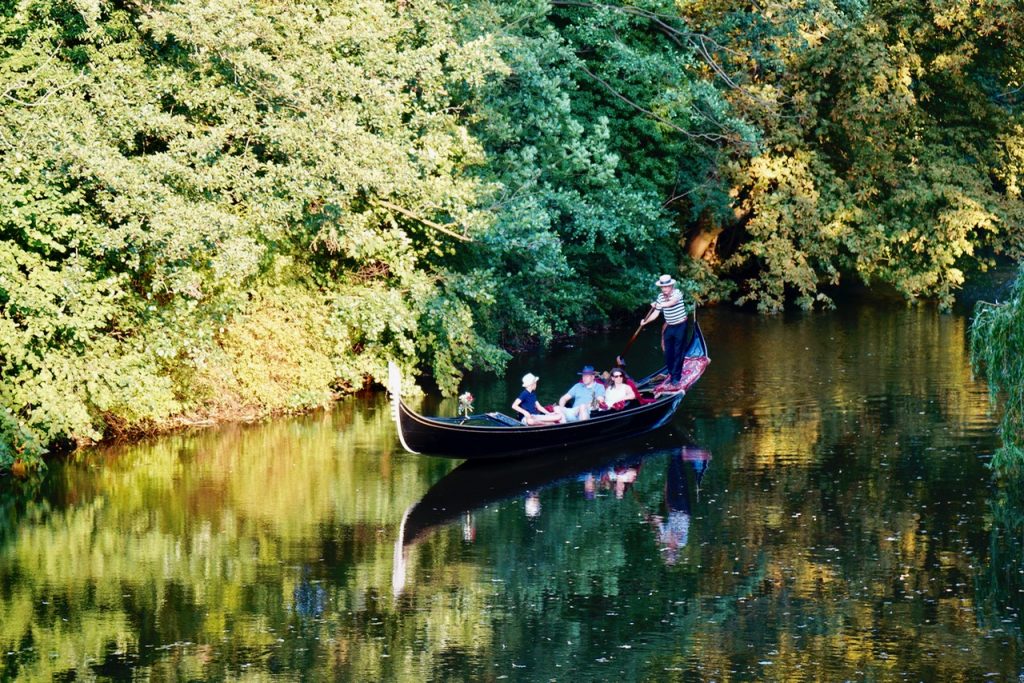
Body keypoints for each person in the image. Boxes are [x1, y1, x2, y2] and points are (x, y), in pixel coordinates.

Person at [641, 274, 692, 391]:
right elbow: (655, 314)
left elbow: (672, 303)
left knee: (678, 352)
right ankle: (671, 373)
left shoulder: (677, 293)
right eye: (662, 287)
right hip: (669, 327)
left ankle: (676, 377)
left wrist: (658, 304)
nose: (664, 289)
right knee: (668, 352)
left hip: (681, 326)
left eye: (666, 287)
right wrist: (645, 322)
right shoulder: (660, 297)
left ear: (671, 286)